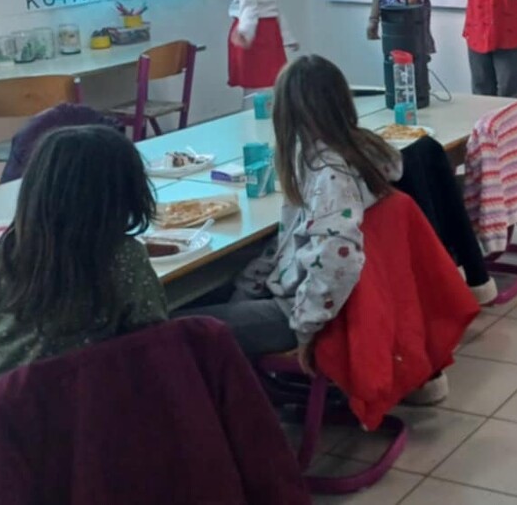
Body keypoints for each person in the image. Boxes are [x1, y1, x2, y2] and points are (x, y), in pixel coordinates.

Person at [183, 56, 443, 395]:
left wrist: (306, 330)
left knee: (174, 331)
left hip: (297, 312)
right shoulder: (358, 151)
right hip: (307, 300)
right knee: (210, 299)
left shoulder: (328, 173)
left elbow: (337, 257)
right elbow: (289, 244)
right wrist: (243, 294)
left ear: (288, 114)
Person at [0, 126, 167, 385]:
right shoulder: (124, 257)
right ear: (127, 194)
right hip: (101, 408)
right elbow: (159, 349)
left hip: (13, 409)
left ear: (31, 191)